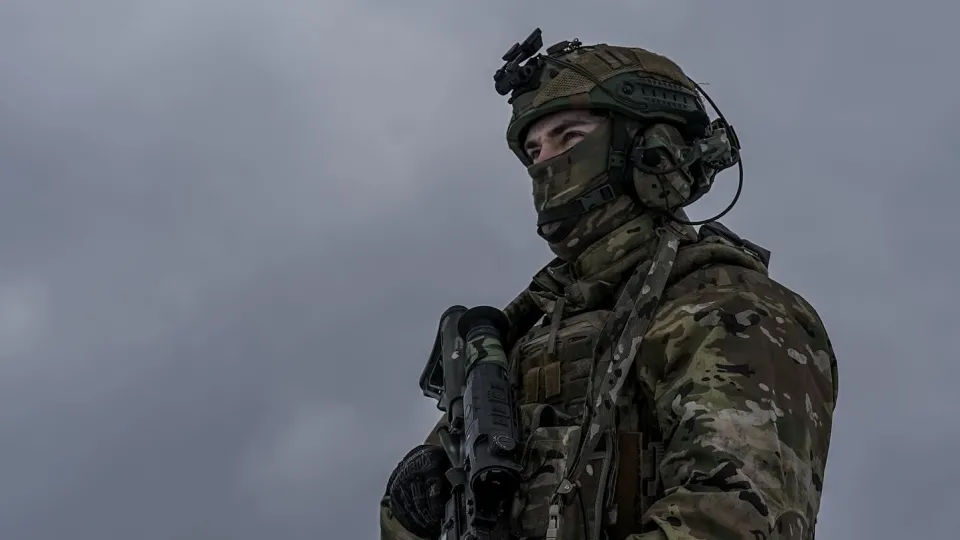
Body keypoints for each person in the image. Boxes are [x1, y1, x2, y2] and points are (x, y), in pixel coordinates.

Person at [380, 32, 839, 540]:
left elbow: (732, 522)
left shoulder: (730, 311)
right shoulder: (529, 333)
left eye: (569, 137)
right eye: (534, 150)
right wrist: (410, 512)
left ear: (652, 151)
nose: (545, 164)